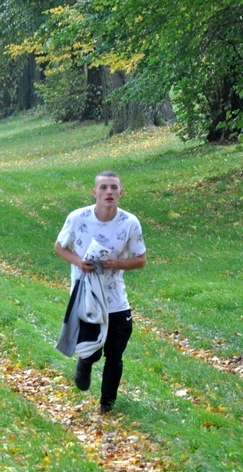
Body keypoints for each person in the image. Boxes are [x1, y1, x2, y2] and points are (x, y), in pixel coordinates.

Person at [53, 171, 147, 415]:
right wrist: (78, 261)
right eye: (103, 188)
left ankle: (108, 405)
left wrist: (116, 264)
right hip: (87, 297)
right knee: (92, 352)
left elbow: (141, 259)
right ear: (94, 192)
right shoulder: (77, 218)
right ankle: (84, 363)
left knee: (114, 356)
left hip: (116, 299)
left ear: (120, 193)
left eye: (114, 188)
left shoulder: (130, 222)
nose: (109, 192)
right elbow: (59, 247)